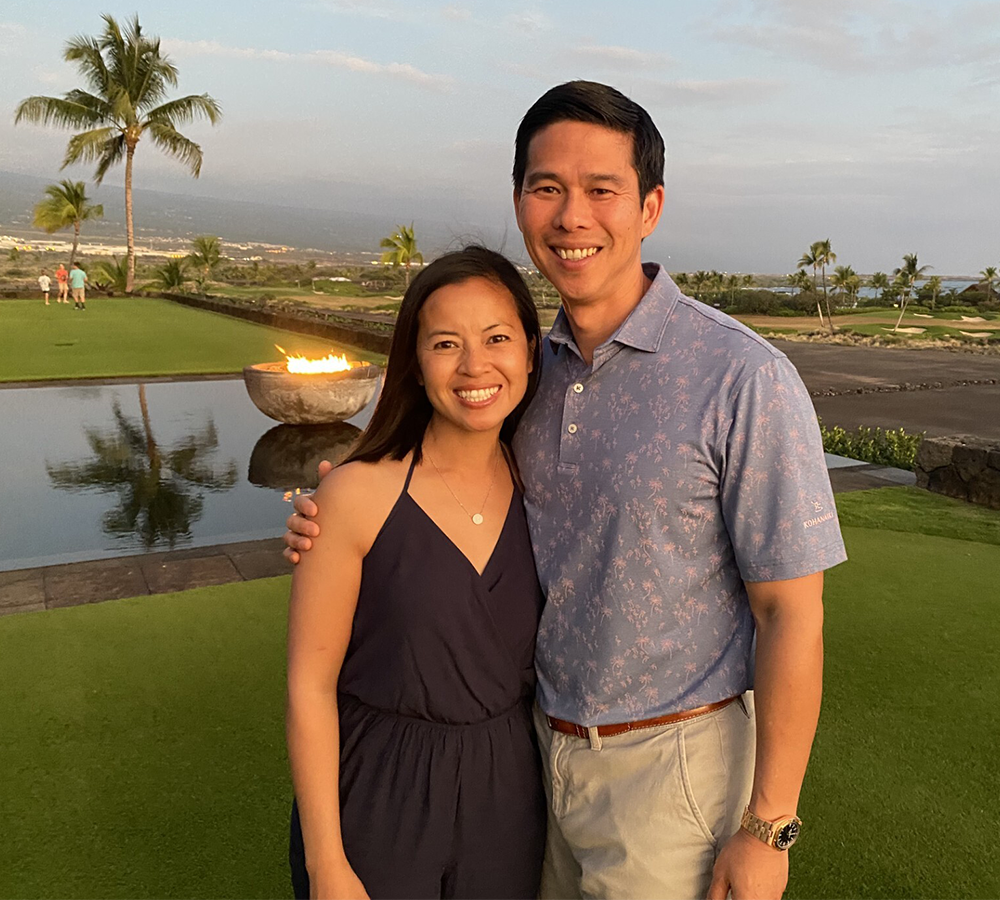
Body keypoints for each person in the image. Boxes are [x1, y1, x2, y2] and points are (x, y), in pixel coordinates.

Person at [285, 81, 847, 900]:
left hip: (674, 769)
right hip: (536, 764)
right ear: (519, 203)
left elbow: (791, 609)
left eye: (601, 190)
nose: (571, 215)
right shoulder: (530, 376)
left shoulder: (741, 376)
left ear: (650, 206)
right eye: (547, 187)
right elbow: (430, 482)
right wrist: (325, 516)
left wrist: (769, 825)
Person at [286, 246, 546, 900]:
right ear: (415, 362)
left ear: (530, 351)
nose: (474, 366)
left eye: (496, 339)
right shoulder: (355, 496)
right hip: (379, 793)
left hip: (508, 799)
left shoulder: (544, 486)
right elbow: (308, 687)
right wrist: (327, 865)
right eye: (446, 343)